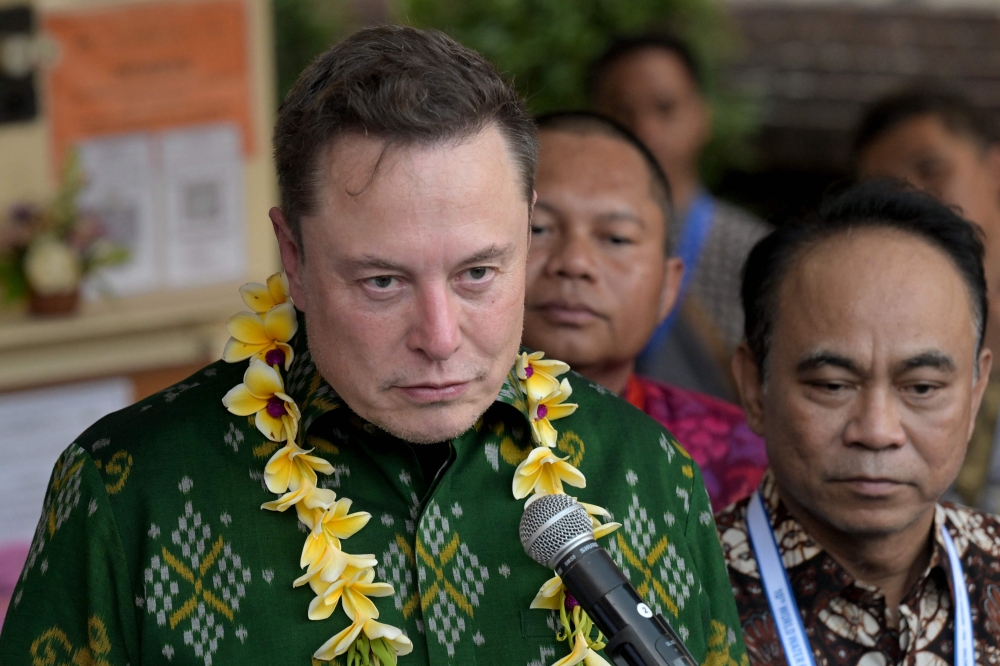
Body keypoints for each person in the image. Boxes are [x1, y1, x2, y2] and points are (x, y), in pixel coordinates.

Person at [0, 26, 748, 666]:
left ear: (525, 233)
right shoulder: (127, 490)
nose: (441, 337)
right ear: (292, 256)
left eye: (479, 273)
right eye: (383, 282)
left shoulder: (647, 473)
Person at [716, 180, 1000, 663]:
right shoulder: (677, 594)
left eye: (922, 388)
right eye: (832, 385)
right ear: (753, 387)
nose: (877, 431)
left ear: (975, 393)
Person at [523, 111, 767, 511]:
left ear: (669, 286)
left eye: (616, 238)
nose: (575, 262)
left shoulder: (740, 459)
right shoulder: (421, 440)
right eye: (538, 229)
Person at [589, 33, 770, 402]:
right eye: (622, 112)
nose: (645, 131)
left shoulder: (753, 251)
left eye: (666, 108)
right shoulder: (570, 247)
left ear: (702, 115)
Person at [854, 89, 1000, 513]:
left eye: (932, 170)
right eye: (888, 189)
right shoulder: (866, 326)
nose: (914, 199)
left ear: (995, 168)